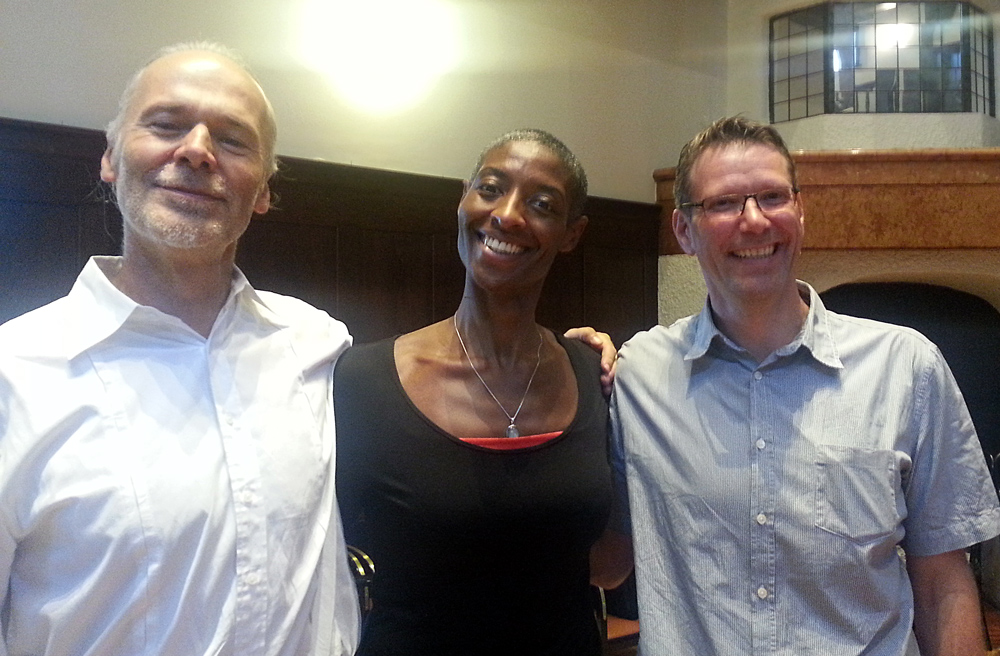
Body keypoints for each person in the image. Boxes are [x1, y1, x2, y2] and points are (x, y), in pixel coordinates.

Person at [0, 43, 359, 656]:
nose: (196, 150)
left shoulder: (316, 345)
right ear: (111, 158)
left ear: (264, 190)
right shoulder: (14, 375)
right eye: (166, 125)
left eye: (233, 140)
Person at [609, 115, 1000, 656]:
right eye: (723, 203)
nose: (754, 220)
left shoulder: (907, 367)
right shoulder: (637, 377)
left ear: (799, 210)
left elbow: (943, 585)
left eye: (772, 196)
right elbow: (604, 563)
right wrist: (572, 368)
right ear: (683, 230)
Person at [335, 129, 625, 655]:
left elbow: (610, 565)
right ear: (462, 200)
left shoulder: (595, 377)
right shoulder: (359, 382)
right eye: (490, 189)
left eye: (542, 205)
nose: (507, 215)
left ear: (572, 233)